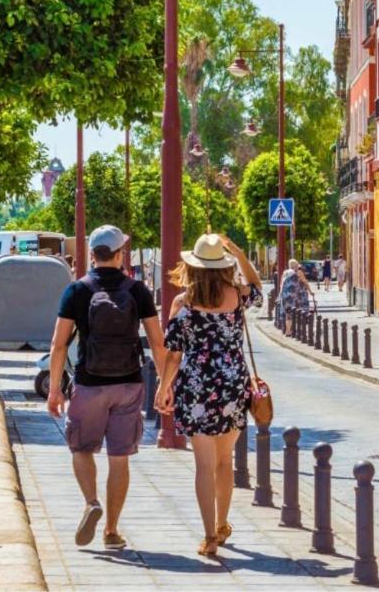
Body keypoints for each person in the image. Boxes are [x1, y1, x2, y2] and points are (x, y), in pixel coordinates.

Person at [47, 225, 166, 551]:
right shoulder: (137, 290)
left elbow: (58, 345)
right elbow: (158, 343)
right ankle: (112, 530)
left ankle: (91, 502)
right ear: (119, 254)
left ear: (92, 254)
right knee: (119, 458)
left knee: (82, 449)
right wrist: (166, 385)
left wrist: (55, 389)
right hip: (129, 384)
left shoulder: (77, 290)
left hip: (89, 384)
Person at [155, 233, 262, 558]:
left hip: (198, 385)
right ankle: (222, 523)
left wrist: (163, 388)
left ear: (193, 267)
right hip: (232, 382)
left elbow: (173, 354)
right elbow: (258, 286)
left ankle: (208, 536)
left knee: (203, 465)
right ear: (223, 266)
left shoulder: (182, 304)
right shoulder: (238, 296)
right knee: (223, 460)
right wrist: (240, 252)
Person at [278, 259, 311, 336]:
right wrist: (310, 291)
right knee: (298, 311)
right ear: (296, 265)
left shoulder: (285, 273)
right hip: (293, 296)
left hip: (285, 295)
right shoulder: (298, 272)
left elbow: (281, 284)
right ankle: (295, 330)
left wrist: (280, 294)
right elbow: (305, 282)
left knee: (288, 313)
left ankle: (287, 330)